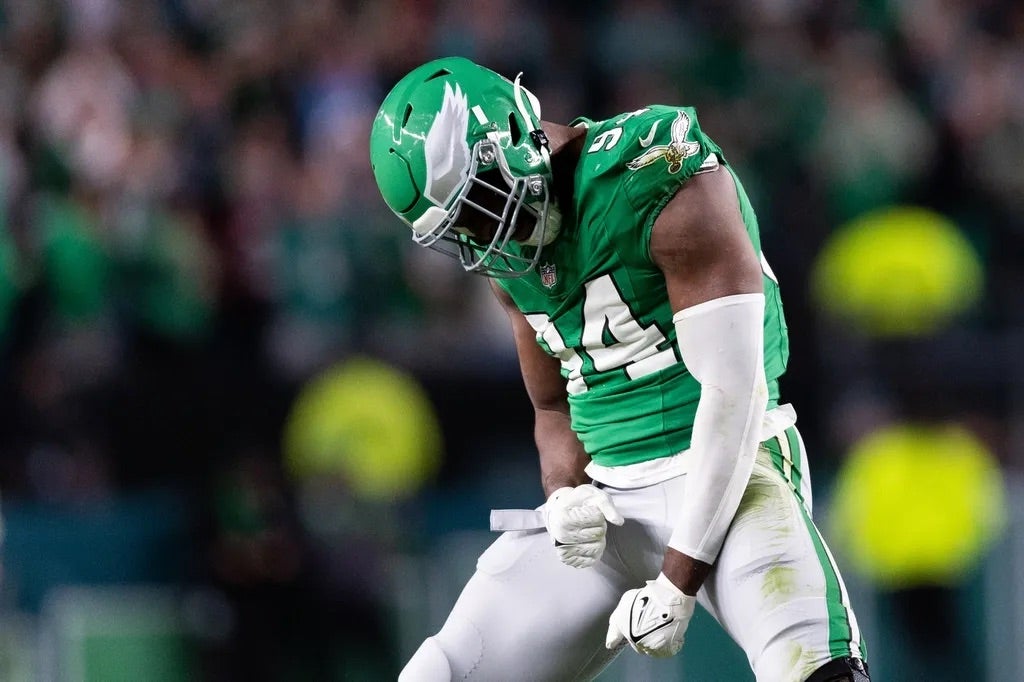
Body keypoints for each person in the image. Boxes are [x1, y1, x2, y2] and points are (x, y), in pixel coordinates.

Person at [369, 56, 869, 682]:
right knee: (438, 673)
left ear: (514, 135)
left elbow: (734, 392)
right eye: (459, 223)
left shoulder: (652, 173)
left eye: (481, 200)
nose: (483, 232)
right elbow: (552, 407)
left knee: (818, 671)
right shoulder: (506, 255)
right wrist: (565, 496)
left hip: (732, 470)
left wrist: (678, 584)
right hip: (609, 498)